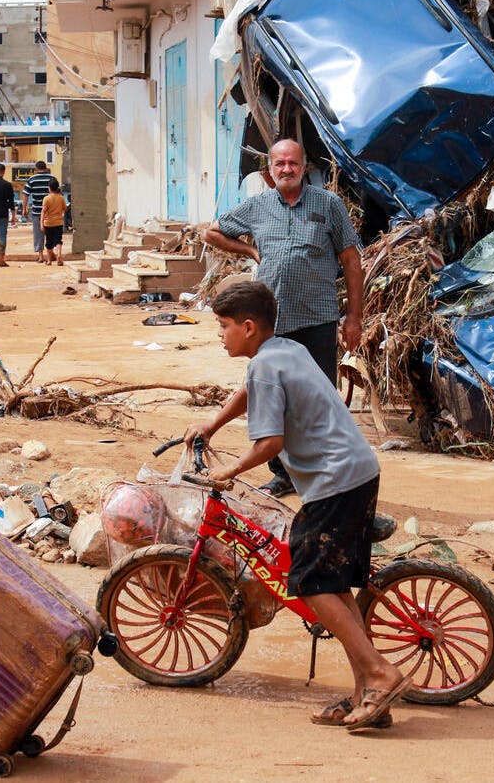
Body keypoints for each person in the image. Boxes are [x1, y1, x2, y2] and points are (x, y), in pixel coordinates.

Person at [184, 281, 407, 731]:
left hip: (334, 481)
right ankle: (367, 692)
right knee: (334, 586)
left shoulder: (266, 367)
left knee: (306, 582)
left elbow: (270, 443)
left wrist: (229, 472)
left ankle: (382, 674)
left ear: (248, 327)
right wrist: (212, 424)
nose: (220, 335)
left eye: (224, 327)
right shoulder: (283, 350)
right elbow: (249, 392)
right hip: (357, 470)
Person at [201, 138, 364, 498]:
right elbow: (210, 232)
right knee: (271, 397)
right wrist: (249, 249)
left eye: (293, 163)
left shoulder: (329, 205)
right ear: (270, 171)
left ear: (304, 167)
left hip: (317, 317)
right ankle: (283, 473)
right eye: (280, 164)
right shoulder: (256, 207)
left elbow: (352, 262)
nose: (287, 169)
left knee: (318, 398)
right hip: (271, 324)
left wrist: (354, 317)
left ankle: (326, 471)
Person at [24, 162, 53, 262]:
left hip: (37, 211)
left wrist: (24, 209)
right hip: (50, 212)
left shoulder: (31, 179)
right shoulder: (52, 178)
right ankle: (51, 254)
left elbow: (26, 195)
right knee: (51, 233)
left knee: (38, 234)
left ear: (36, 169)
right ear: (46, 168)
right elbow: (58, 194)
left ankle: (41, 256)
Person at [41, 177, 67, 266]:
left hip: (48, 223)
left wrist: (41, 223)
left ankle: (49, 261)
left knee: (49, 242)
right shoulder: (61, 198)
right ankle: (59, 255)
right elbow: (65, 208)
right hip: (59, 222)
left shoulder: (46, 198)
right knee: (58, 240)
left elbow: (43, 212)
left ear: (49, 188)